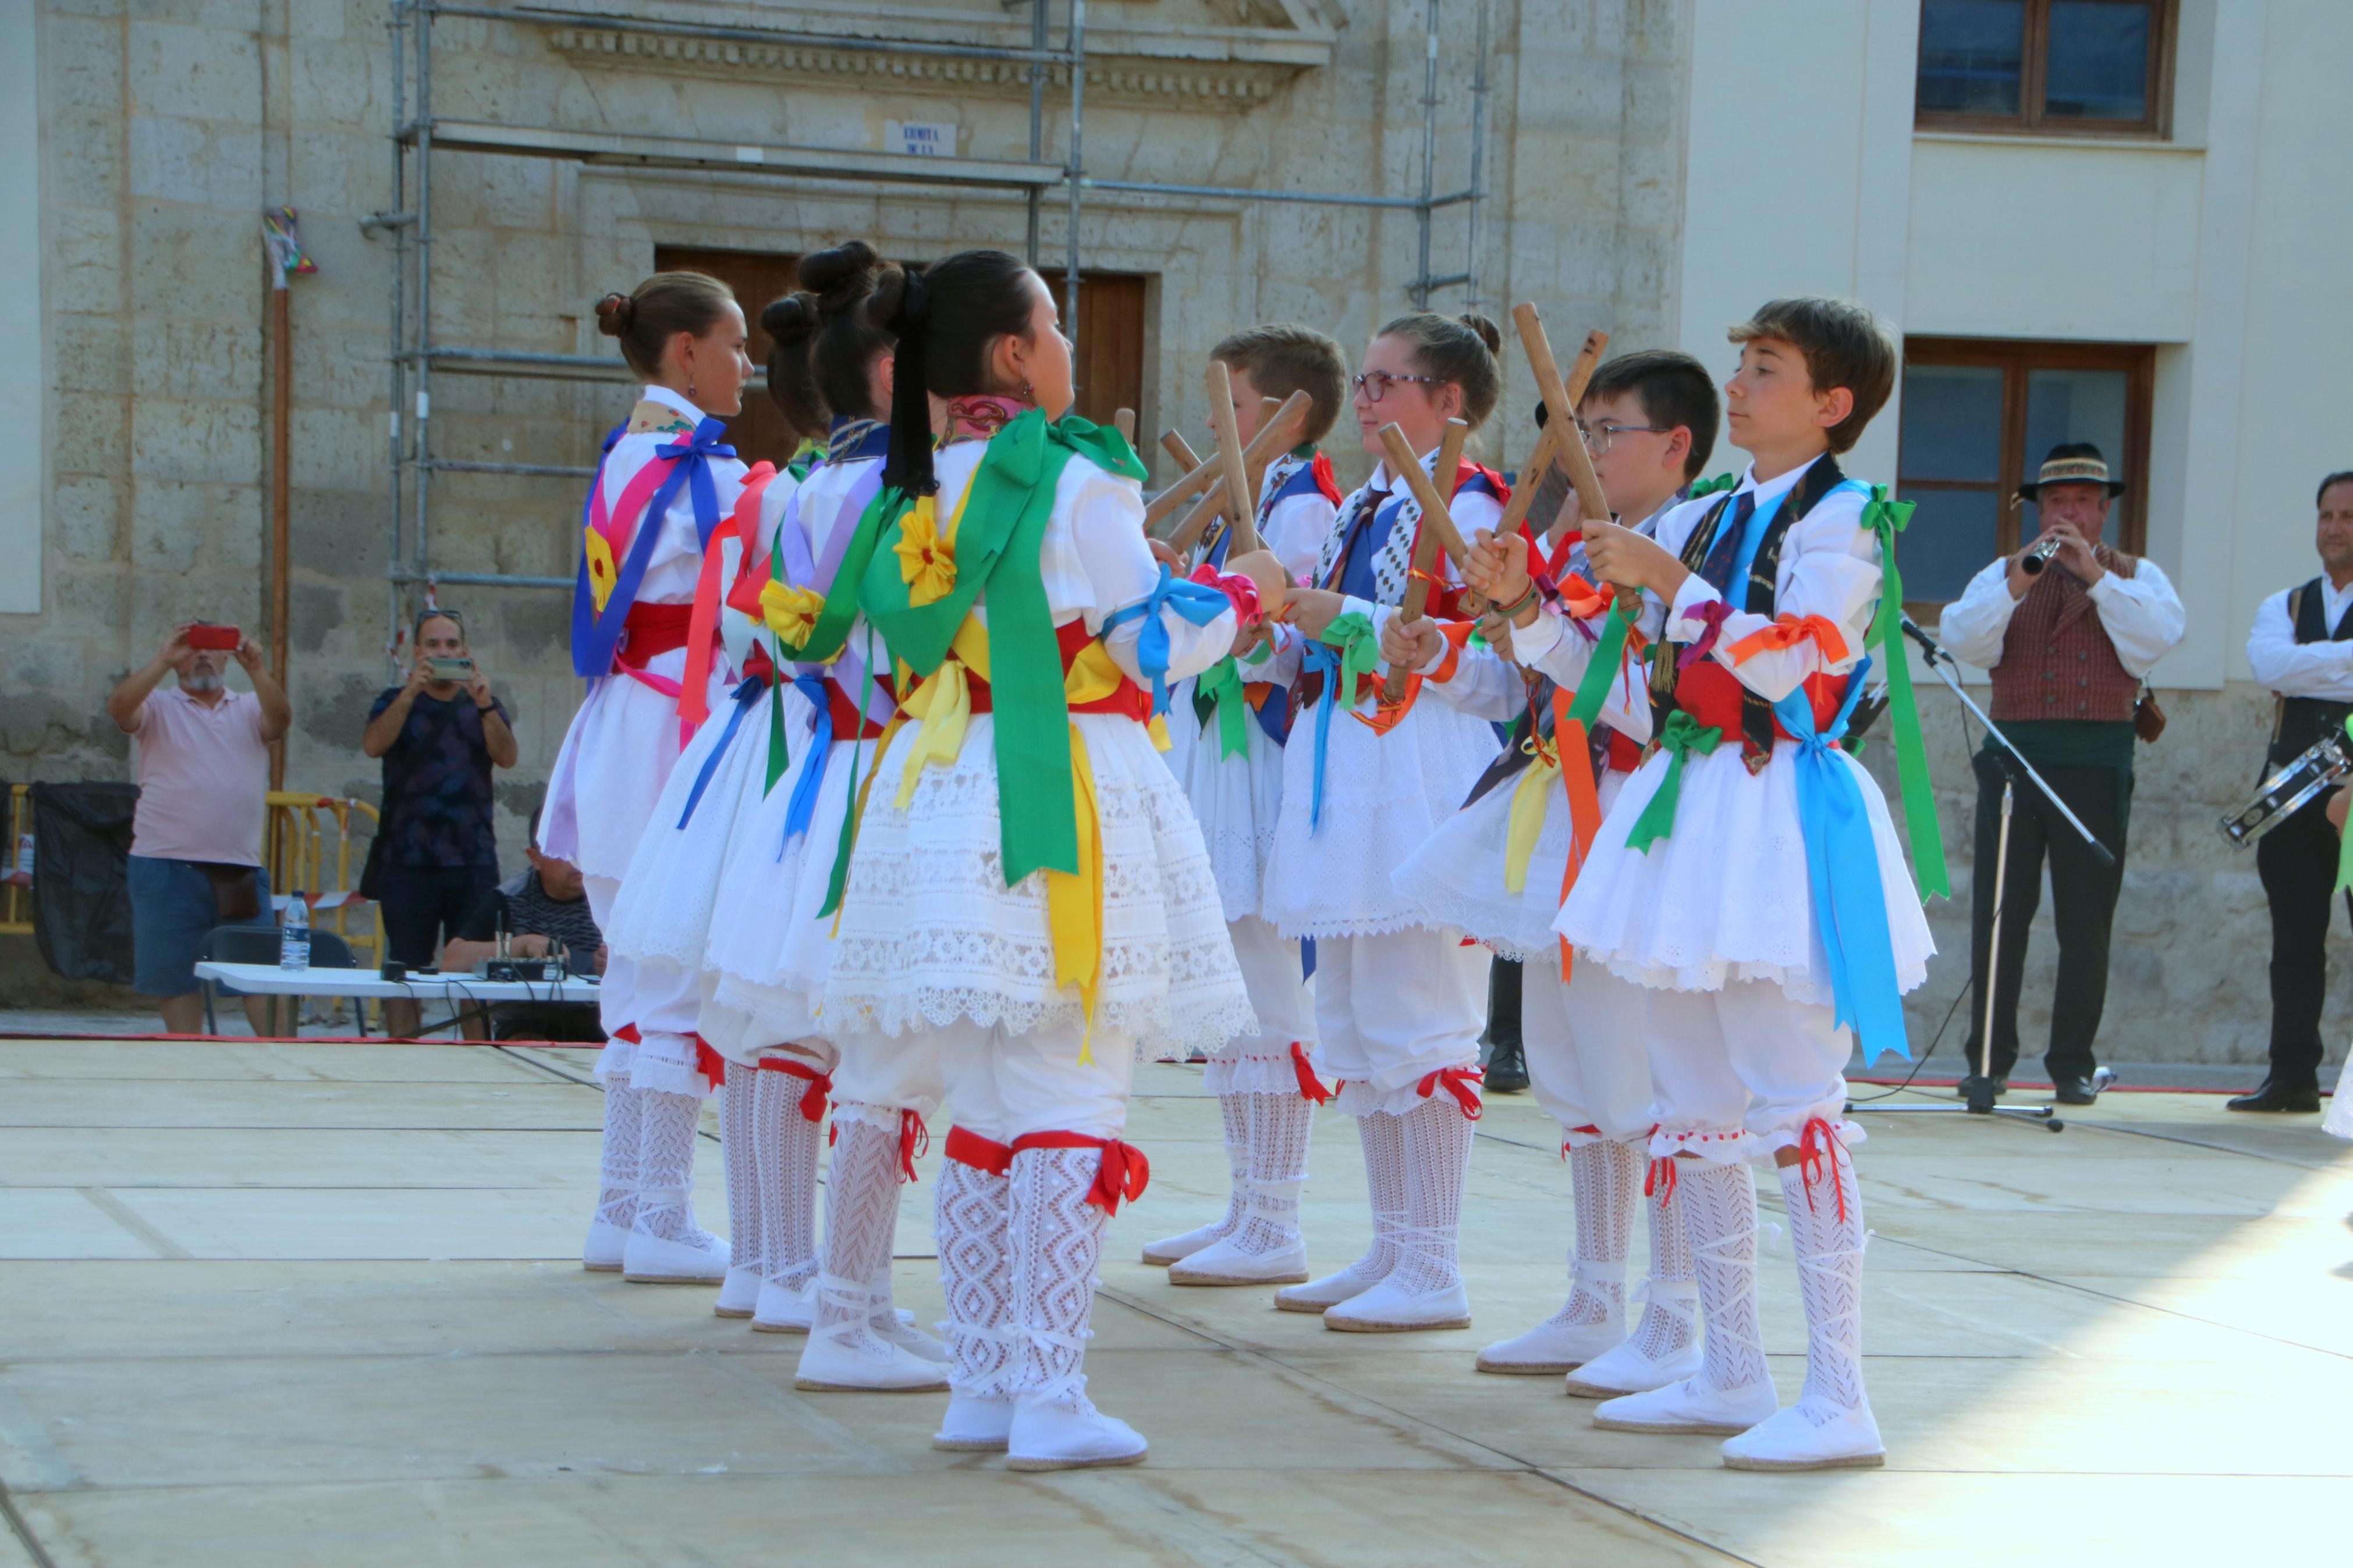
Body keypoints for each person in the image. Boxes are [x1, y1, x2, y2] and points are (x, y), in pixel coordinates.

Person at [815, 249, 1279, 1468]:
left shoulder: (913, 489)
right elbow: (1143, 644)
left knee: (982, 1096)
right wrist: (1241, 591)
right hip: (1061, 784)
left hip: (938, 784)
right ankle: (1052, 1393)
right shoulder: (1074, 477)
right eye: (1054, 326)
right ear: (1015, 355)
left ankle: (981, 1383)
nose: (1069, 345)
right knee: (1070, 1081)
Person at [1467, 296, 1937, 1471]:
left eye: (1764, 367)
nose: (1738, 381)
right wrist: (1525, 612)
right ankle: (1728, 1366)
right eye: (1738, 361)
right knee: (1687, 1095)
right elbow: (1631, 692)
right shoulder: (1714, 512)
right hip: (1685, 814)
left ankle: (1839, 1393)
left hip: (1776, 810)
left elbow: (1800, 666)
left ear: (1831, 404)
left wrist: (1673, 581)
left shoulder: (1843, 522)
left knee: (1792, 1095)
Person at [1391, 348, 1722, 1396]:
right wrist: (1450, 651)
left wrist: (1535, 617)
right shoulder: (1586, 550)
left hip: (1634, 818)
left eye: (1603, 429)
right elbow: (1526, 689)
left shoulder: (1690, 551)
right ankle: (1591, 1296)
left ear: (1673, 446)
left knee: (1644, 1075)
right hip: (1555, 807)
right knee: (1569, 1066)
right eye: (1575, 427)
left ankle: (1673, 1318)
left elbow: (1642, 700)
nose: (1582, 447)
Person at [1258, 312, 1511, 1334]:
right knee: (1355, 1019)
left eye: (1386, 384)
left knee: (1420, 1012)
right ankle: (1390, 1246)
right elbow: (1335, 628)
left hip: (1418, 764)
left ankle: (1434, 1263)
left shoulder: (1473, 504)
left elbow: (1476, 658)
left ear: (1448, 402)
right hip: (1347, 757)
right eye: (1361, 384)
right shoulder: (1369, 498)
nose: (1363, 403)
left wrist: (1343, 621)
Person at [546, 271, 751, 1285]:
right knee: (670, 978)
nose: (747, 367)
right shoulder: (695, 466)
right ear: (685, 353)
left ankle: (623, 1207)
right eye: (735, 346)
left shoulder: (626, 453)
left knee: (634, 976)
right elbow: (751, 609)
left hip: (624, 718)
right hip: (676, 714)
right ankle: (661, 1215)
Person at [1145, 323, 1346, 1289]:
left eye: (1232, 406)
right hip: (1222, 747)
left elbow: (1286, 644)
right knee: (1232, 978)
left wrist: (1220, 613)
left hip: (1260, 749)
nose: (1219, 421)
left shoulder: (1304, 504)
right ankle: (1245, 1204)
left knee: (1267, 980)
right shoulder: (1254, 497)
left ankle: (1276, 1217)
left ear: (1281, 415)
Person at [1937, 443, 2185, 1105]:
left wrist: (2096, 579)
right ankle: (1986, 1062)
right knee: (2000, 912)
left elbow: (2154, 640)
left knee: (2085, 919)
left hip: (2096, 762)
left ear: (2102, 510)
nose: (2065, 512)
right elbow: (1960, 639)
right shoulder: (2002, 572)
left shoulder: (2138, 577)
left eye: (2079, 501)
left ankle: (2072, 1062)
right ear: (2036, 509)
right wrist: (2019, 581)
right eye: (2053, 502)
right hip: (2013, 762)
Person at [2231, 472, 2353, 1112]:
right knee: (2294, 940)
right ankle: (2292, 1077)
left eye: (2348, 516)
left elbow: (2290, 668)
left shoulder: (2294, 620)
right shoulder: (2283, 603)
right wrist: (2344, 663)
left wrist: (2306, 667)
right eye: (2326, 515)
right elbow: (2266, 665)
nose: (2334, 527)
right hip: (2290, 793)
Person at [107, 621, 292, 1036]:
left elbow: (280, 720)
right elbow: (119, 709)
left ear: (228, 655)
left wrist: (258, 668)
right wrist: (163, 659)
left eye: (212, 647)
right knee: (175, 981)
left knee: (262, 978)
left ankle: (287, 1069)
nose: (203, 655)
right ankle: (190, 1068)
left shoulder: (247, 705)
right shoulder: (156, 705)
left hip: (238, 868)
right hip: (164, 864)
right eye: (192, 648)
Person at [361, 607, 518, 1039]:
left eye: (451, 644)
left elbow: (508, 756)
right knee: (403, 971)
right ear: (417, 652)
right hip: (406, 859)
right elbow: (373, 744)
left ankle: (477, 1058)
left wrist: (485, 703)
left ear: (465, 651)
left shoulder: (484, 704)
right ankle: (400, 1060)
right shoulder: (393, 699)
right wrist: (410, 693)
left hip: (471, 859)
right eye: (433, 645)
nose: (443, 651)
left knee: (475, 970)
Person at [441, 809, 607, 1043]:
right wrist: (520, 945)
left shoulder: (612, 895)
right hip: (529, 1025)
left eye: (583, 846)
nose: (576, 859)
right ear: (535, 858)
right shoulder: (510, 897)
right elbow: (451, 961)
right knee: (525, 1047)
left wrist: (620, 964)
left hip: (603, 1025)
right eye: (563, 850)